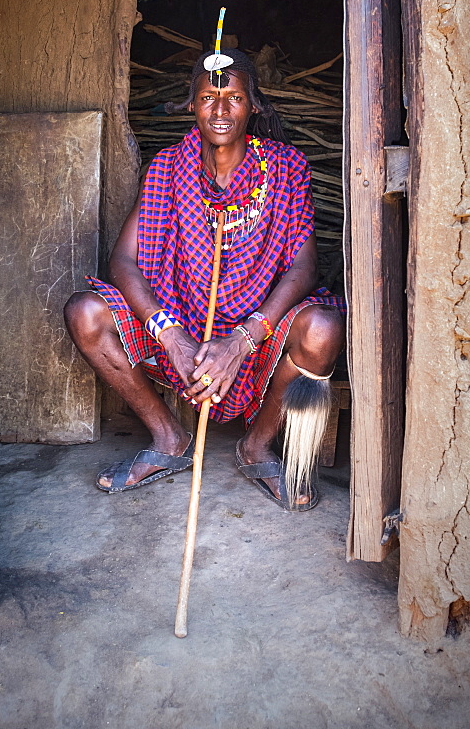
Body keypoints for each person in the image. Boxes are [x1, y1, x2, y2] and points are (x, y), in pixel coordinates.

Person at [64, 48, 345, 510]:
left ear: (253, 105)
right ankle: (168, 437)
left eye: (232, 97)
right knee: (85, 312)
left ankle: (256, 448)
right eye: (208, 97)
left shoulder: (285, 167)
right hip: (181, 330)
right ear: (191, 105)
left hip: (258, 330)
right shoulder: (169, 168)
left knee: (324, 329)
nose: (220, 110)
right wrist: (171, 335)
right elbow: (123, 262)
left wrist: (242, 339)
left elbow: (303, 266)